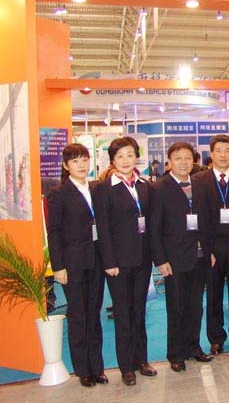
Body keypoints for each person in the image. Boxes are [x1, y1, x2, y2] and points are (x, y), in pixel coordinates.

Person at [95, 137, 157, 386]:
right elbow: (103, 228)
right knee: (123, 313)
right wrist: (109, 261)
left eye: (130, 155)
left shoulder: (145, 185)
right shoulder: (104, 189)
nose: (125, 160)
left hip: (142, 258)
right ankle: (126, 366)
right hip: (118, 262)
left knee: (139, 310)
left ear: (136, 158)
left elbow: (151, 223)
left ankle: (142, 360)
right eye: (120, 156)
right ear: (112, 160)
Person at [47, 144, 106, 387]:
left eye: (84, 160)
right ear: (65, 165)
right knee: (78, 315)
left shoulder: (97, 189)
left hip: (97, 259)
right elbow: (54, 232)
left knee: (94, 313)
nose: (81, 165)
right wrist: (58, 266)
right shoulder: (58, 193)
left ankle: (98, 367)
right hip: (72, 262)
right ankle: (83, 370)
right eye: (75, 161)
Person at [149, 142, 212, 373]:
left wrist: (210, 251)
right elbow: (154, 228)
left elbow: (207, 221)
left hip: (200, 255)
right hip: (174, 258)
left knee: (196, 306)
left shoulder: (200, 184)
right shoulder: (159, 188)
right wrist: (160, 260)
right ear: (169, 162)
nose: (184, 162)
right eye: (178, 158)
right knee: (176, 308)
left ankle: (193, 347)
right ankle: (176, 354)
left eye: (187, 158)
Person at [195, 135, 229, 355]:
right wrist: (206, 249)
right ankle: (216, 338)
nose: (223, 155)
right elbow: (199, 217)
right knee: (214, 294)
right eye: (218, 150)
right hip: (213, 246)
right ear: (212, 154)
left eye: (227, 150)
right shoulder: (199, 180)